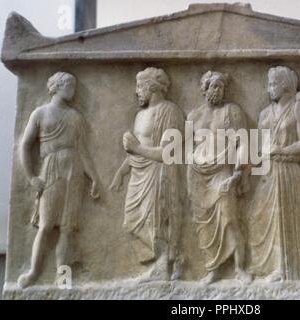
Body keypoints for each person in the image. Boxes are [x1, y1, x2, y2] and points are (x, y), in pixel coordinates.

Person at [18, 72, 100, 288]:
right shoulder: (40, 113)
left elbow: (83, 150)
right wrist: (31, 176)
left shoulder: (75, 117)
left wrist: (94, 178)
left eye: (73, 84)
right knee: (45, 226)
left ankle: (62, 278)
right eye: (68, 85)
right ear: (55, 86)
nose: (72, 89)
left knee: (67, 228)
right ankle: (34, 272)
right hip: (51, 169)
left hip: (73, 171)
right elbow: (25, 146)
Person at [110, 68, 185, 281]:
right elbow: (136, 150)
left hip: (159, 174)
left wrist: (137, 149)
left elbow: (170, 152)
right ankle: (157, 265)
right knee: (131, 222)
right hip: (139, 174)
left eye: (139, 87)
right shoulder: (140, 115)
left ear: (152, 87)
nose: (136, 92)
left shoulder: (170, 111)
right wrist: (121, 173)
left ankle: (163, 267)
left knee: (157, 220)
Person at [247, 66, 300, 282]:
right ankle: (264, 265)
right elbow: (259, 145)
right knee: (258, 216)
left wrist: (282, 150)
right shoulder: (265, 113)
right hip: (268, 170)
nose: (268, 89)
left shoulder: (298, 108)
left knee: (284, 216)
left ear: (285, 86)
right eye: (268, 84)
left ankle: (284, 268)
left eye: (273, 84)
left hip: (289, 169)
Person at [187, 71, 251, 285]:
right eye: (214, 87)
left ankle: (240, 268)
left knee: (230, 219)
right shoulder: (194, 116)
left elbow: (243, 143)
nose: (219, 91)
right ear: (204, 89)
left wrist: (239, 173)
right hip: (197, 175)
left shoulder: (232, 111)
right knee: (204, 225)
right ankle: (212, 270)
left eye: (222, 87)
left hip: (223, 173)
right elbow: (185, 147)